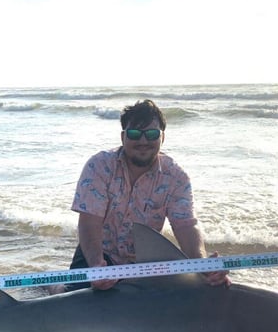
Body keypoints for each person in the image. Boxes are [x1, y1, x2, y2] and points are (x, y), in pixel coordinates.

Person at [63, 99, 230, 292]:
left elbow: (186, 224)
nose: (143, 141)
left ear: (162, 138)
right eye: (135, 133)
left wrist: (202, 266)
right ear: (123, 136)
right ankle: (54, 287)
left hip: (145, 262)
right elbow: (89, 221)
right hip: (100, 254)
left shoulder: (176, 177)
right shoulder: (99, 166)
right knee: (71, 300)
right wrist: (96, 266)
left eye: (152, 134)